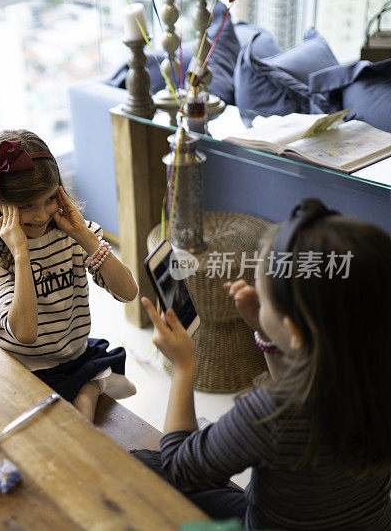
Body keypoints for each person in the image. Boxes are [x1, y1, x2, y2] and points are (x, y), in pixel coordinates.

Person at [133, 198, 391, 530]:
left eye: (265, 299)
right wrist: (267, 332)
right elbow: (303, 381)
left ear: (295, 332)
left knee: (144, 463)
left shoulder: (269, 414)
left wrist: (184, 367)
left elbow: (181, 468)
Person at [0, 129, 139, 420]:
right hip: (23, 366)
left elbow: (128, 292)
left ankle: (91, 386)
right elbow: (25, 333)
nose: (41, 216)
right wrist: (21, 255)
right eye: (26, 206)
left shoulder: (72, 236)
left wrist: (84, 235)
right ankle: (93, 387)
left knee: (98, 365)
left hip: (74, 354)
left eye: (49, 199)